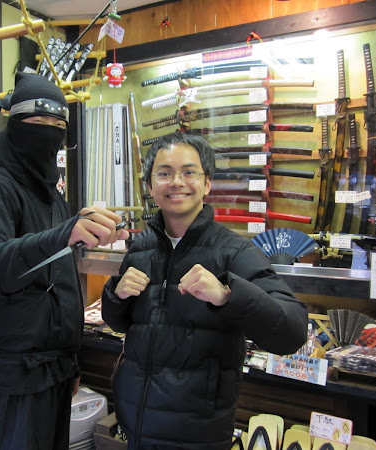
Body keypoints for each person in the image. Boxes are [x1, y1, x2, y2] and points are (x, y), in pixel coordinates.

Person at [0, 72, 128, 450]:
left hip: (56, 371)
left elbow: (59, 282)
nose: (49, 133)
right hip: (15, 375)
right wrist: (60, 235)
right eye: (38, 122)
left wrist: (71, 362)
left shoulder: (52, 196)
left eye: (59, 126)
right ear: (16, 124)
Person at [101, 132, 308, 449]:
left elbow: (291, 333)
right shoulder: (141, 248)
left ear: (207, 183)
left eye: (189, 172)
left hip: (198, 432)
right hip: (136, 423)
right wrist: (116, 294)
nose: (176, 182)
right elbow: (121, 323)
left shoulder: (234, 252)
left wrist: (228, 296)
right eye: (164, 173)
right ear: (150, 186)